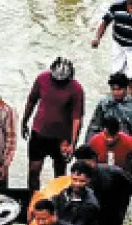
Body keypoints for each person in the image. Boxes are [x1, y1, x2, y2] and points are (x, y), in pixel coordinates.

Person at [21, 57, 85, 192]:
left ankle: (59, 203)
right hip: (39, 133)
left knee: (60, 175)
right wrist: (24, 121)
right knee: (33, 170)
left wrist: (73, 143)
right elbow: (32, 100)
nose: (59, 83)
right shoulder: (42, 79)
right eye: (56, 80)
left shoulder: (76, 89)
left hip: (62, 139)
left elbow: (76, 118)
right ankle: (34, 199)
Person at [85, 72, 132, 182]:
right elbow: (93, 128)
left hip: (128, 152)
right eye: (113, 89)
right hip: (106, 150)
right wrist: (87, 154)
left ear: (126, 89)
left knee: (129, 183)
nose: (116, 92)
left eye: (119, 89)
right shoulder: (103, 104)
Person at [88, 116, 132, 196]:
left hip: (121, 179)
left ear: (118, 132)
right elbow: (84, 160)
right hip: (100, 180)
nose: (110, 139)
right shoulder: (95, 140)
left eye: (113, 136)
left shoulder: (129, 141)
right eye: (107, 135)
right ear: (103, 131)